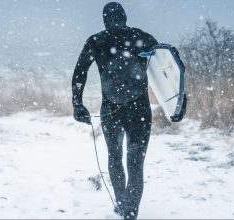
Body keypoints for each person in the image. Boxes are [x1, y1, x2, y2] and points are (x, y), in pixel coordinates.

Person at [71, 2, 159, 219]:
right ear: (125, 17)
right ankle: (130, 213)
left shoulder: (96, 40)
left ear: (104, 19)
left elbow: (80, 72)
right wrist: (177, 101)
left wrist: (77, 103)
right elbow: (166, 67)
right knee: (136, 161)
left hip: (111, 109)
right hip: (140, 109)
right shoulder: (143, 37)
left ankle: (121, 205)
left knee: (115, 156)